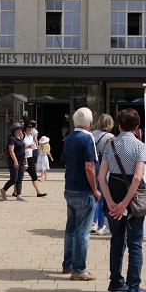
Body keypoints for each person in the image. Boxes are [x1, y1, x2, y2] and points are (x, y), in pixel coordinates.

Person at [98, 108, 146, 292]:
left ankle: (115, 283)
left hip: (113, 192)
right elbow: (137, 177)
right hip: (133, 198)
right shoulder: (140, 146)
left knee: (116, 240)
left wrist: (111, 203)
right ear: (137, 127)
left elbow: (102, 177)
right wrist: (125, 203)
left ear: (118, 125)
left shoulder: (110, 146)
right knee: (135, 243)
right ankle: (134, 289)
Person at [61, 107, 102, 281]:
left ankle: (68, 264)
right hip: (84, 190)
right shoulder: (88, 138)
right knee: (82, 232)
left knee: (71, 229)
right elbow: (90, 166)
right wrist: (95, 189)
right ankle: (79, 269)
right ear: (90, 124)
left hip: (70, 188)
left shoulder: (69, 138)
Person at [91, 113, 115, 235]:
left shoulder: (92, 134)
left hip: (92, 167)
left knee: (94, 194)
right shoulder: (110, 137)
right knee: (102, 196)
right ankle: (100, 224)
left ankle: (92, 222)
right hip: (104, 169)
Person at [0, 122, 27, 201]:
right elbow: (11, 151)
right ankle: (3, 190)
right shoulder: (12, 138)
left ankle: (19, 196)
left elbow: (22, 149)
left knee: (20, 178)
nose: (21, 131)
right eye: (20, 129)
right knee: (14, 179)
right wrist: (15, 161)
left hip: (22, 161)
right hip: (14, 161)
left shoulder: (20, 138)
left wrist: (24, 158)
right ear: (16, 130)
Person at [21, 120, 46, 197]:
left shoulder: (31, 135)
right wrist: (27, 146)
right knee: (18, 176)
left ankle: (38, 192)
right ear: (25, 127)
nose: (31, 128)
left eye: (32, 126)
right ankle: (10, 191)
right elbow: (18, 146)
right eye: (29, 126)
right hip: (22, 158)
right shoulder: (22, 135)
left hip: (29, 158)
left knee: (34, 175)